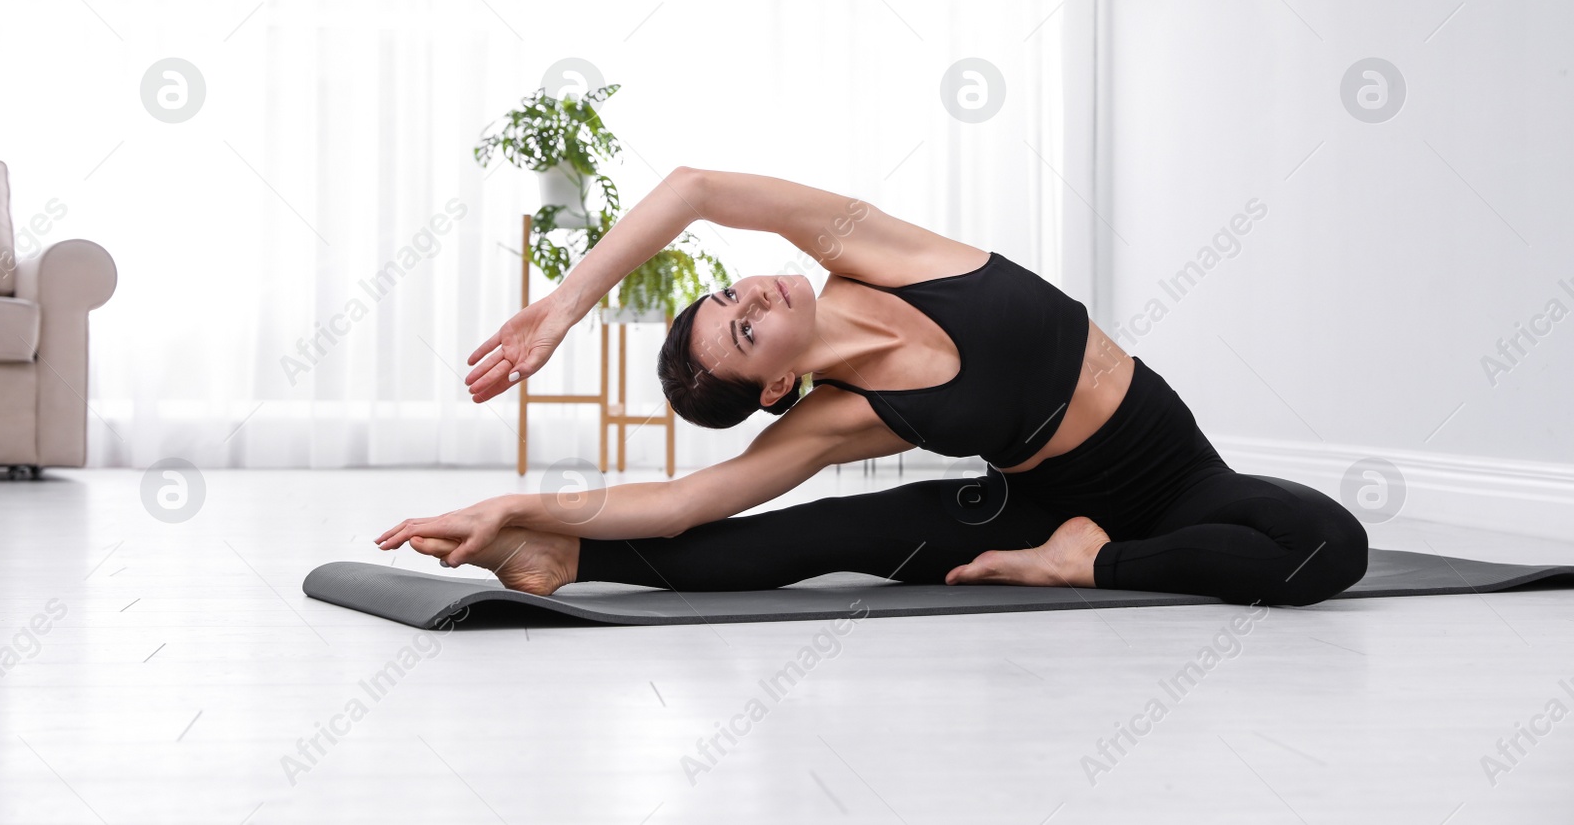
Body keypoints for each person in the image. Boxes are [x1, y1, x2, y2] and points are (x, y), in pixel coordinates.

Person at [376, 168, 1368, 605]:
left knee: (1330, 546)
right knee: (808, 538)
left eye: (730, 293)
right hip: (1028, 510)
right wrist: (524, 501)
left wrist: (561, 307)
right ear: (773, 387)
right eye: (746, 328)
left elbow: (695, 187)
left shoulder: (874, 249)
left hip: (1176, 479)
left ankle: (1088, 564)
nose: (752, 292)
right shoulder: (836, 419)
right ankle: (564, 553)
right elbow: (689, 501)